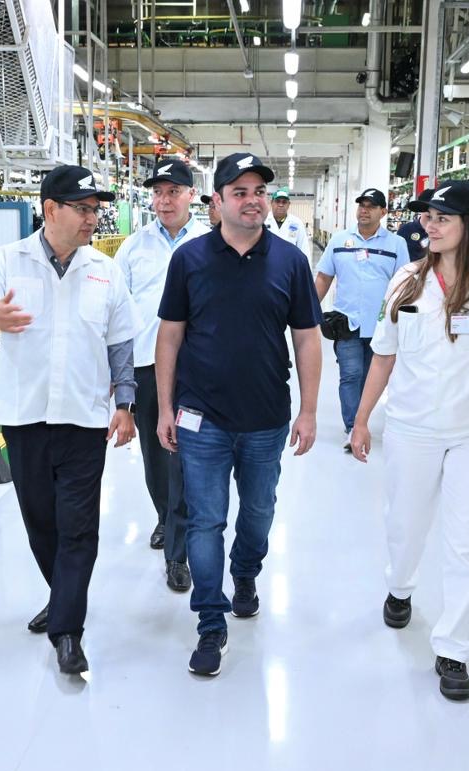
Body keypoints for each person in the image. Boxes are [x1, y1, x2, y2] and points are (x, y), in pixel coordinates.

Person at [349, 180, 469, 701]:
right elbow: (384, 355)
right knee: (405, 524)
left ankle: (454, 649)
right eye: (428, 217)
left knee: (468, 542)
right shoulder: (406, 281)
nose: (429, 226)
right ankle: (400, 586)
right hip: (412, 426)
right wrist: (362, 419)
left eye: (442, 218)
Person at [0, 164, 138, 676]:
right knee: (41, 521)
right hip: (25, 416)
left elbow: (121, 341)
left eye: (95, 209)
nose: (92, 219)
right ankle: (63, 597)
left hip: (84, 417)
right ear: (50, 210)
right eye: (83, 209)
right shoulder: (7, 260)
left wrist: (125, 403)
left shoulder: (105, 270)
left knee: (79, 527)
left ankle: (68, 631)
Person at [155, 152, 322, 677]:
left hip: (266, 418)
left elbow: (307, 338)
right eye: (241, 192)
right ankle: (211, 620)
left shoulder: (290, 261)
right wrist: (163, 407)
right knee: (205, 520)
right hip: (200, 417)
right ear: (219, 201)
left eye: (260, 192)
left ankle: (245, 571)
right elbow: (170, 336)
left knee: (258, 512)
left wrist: (309, 410)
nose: (253, 201)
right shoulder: (189, 259)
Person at [114, 159, 210, 592]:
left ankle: (178, 544)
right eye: (158, 193)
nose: (164, 200)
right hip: (147, 366)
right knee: (156, 453)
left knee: (187, 452)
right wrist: (118, 377)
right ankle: (166, 516)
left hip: (196, 367)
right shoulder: (133, 248)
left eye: (173, 192)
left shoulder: (210, 243)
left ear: (191, 195)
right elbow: (117, 314)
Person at [315, 188, 408, 447]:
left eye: (371, 206)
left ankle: (361, 421)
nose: (364, 210)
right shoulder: (340, 240)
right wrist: (308, 311)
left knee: (370, 377)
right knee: (351, 374)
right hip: (347, 322)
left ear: (383, 212)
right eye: (362, 205)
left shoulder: (396, 245)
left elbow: (404, 285)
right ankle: (353, 427)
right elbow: (324, 277)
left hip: (381, 325)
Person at [265, 187, 311, 260]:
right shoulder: (263, 221)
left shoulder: (297, 223)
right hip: (267, 264)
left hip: (290, 264)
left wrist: (307, 266)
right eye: (277, 201)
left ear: (289, 204)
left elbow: (304, 248)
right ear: (271, 203)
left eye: (284, 202)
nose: (281, 205)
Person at [398, 188, 433, 263]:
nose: (430, 211)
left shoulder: (444, 231)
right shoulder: (405, 230)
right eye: (426, 207)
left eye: (435, 207)